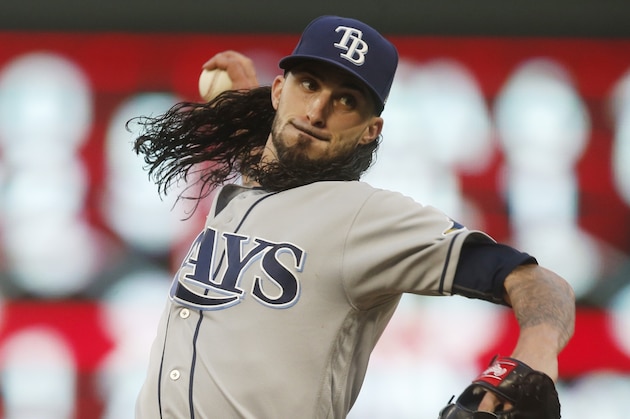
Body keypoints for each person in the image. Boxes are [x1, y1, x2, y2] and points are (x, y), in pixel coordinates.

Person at [132, 15, 575, 418]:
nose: (318, 111)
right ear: (278, 89)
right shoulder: (258, 184)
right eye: (309, 84)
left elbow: (539, 283)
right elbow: (274, 174)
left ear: (370, 131)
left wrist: (533, 359)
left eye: (345, 100)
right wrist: (241, 103)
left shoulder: (368, 218)